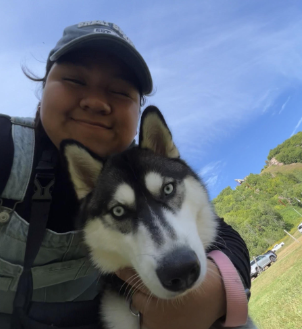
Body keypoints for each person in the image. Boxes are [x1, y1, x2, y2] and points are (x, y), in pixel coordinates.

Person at [0, 21, 251, 329]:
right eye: (75, 80)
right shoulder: (6, 146)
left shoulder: (147, 166)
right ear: (44, 87)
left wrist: (217, 294)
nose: (95, 102)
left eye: (119, 91)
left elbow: (226, 239)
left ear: (138, 112)